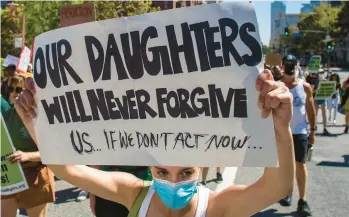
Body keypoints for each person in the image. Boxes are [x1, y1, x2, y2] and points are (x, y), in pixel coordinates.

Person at [15, 71, 295, 217]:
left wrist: (280, 129)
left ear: (202, 167)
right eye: (162, 173)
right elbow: (70, 170)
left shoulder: (218, 206)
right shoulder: (135, 193)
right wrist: (39, 126)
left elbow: (277, 188)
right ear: (150, 167)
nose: (173, 183)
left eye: (186, 173)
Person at [1, 75, 55, 217]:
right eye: (10, 89)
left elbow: (53, 151)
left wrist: (27, 156)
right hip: (12, 174)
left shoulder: (41, 115)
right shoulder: (6, 116)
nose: (14, 92)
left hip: (35, 174)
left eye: (18, 88)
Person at [279, 55, 316, 217]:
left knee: (300, 164)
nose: (289, 67)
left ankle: (303, 200)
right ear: (282, 66)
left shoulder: (305, 87)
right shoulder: (278, 85)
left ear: (296, 66)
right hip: (281, 132)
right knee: (284, 165)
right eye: (286, 64)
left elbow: (310, 108)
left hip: (299, 132)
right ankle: (287, 192)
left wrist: (313, 131)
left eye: (292, 64)